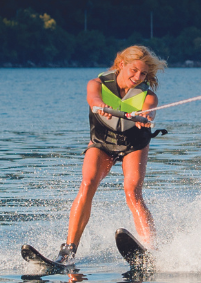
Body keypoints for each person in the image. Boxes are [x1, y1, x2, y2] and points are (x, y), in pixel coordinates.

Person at [55, 45, 166, 265]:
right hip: (102, 142)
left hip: (133, 144)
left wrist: (143, 117)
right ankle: (68, 250)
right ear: (122, 64)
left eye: (143, 73)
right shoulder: (96, 84)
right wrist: (102, 106)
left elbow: (150, 112)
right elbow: (93, 99)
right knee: (87, 183)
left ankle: (151, 250)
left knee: (132, 191)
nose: (138, 77)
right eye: (134, 70)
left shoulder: (148, 96)